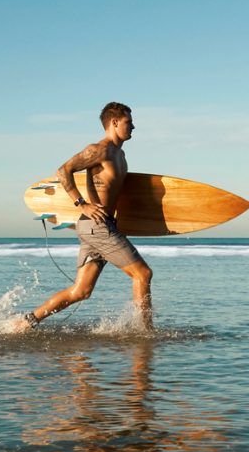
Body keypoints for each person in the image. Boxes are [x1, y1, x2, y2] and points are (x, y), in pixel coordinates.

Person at [20, 101, 153, 330]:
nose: (133, 127)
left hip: (101, 226)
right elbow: (63, 171)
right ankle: (145, 333)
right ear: (114, 122)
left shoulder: (120, 155)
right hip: (96, 225)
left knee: (81, 291)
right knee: (143, 273)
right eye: (128, 122)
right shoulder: (99, 150)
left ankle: (25, 322)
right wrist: (82, 204)